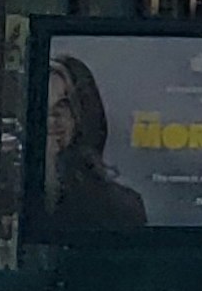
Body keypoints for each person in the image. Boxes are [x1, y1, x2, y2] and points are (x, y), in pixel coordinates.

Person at [44, 54, 146, 229]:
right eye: (45, 108)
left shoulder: (119, 208)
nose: (53, 120)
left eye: (63, 106)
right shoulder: (6, 197)